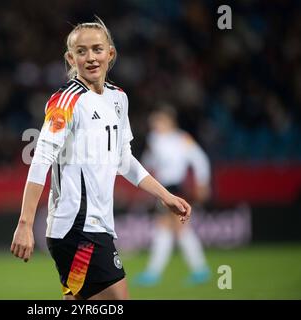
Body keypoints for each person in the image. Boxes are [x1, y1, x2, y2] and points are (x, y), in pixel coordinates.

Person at [10, 17, 192, 300]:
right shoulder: (66, 101)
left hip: (97, 226)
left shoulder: (119, 99)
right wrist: (25, 224)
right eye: (81, 51)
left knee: (79, 300)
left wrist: (164, 195)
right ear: (71, 58)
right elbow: (41, 158)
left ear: (111, 53)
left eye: (97, 49)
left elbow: (124, 159)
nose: (90, 57)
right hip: (77, 229)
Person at [133, 104, 211, 286]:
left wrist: (203, 183)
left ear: (168, 122)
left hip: (174, 188)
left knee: (177, 228)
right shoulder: (155, 140)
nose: (154, 125)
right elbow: (147, 162)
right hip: (163, 188)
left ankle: (198, 270)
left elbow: (200, 160)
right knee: (166, 228)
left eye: (157, 121)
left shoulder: (181, 139)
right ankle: (156, 272)